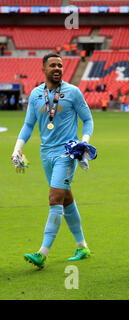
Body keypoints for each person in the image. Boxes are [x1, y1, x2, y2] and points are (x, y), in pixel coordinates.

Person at [11, 53, 94, 269]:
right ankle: (82, 246)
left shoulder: (73, 92)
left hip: (67, 153)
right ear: (43, 69)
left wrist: (83, 143)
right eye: (53, 65)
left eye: (60, 65)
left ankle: (42, 253)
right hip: (45, 153)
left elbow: (88, 120)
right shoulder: (36, 94)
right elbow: (29, 125)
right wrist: (17, 149)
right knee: (65, 199)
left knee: (54, 198)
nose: (57, 68)